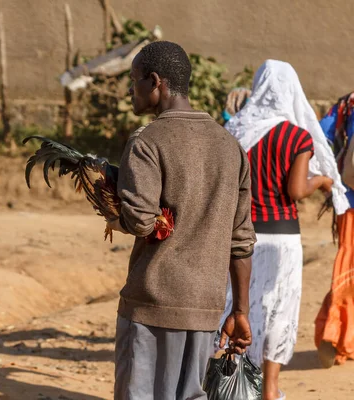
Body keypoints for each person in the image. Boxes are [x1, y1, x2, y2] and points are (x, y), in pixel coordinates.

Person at [106, 41, 256, 400]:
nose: (130, 90)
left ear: (155, 82)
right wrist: (240, 311)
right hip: (205, 308)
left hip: (152, 303)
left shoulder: (147, 142)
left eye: (134, 80)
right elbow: (241, 239)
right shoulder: (229, 145)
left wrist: (114, 212)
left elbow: (142, 220)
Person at [220, 60, 349, 400]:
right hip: (283, 237)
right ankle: (270, 389)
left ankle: (238, 382)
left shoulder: (237, 132)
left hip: (241, 235)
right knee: (278, 311)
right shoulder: (296, 136)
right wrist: (321, 180)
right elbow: (295, 191)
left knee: (241, 305)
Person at [314, 92, 354, 367]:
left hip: (349, 201)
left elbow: (318, 138)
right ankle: (339, 335)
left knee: (348, 266)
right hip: (349, 202)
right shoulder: (346, 108)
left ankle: (337, 334)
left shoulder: (346, 106)